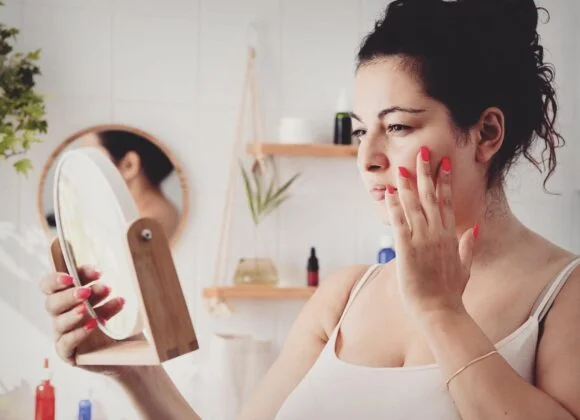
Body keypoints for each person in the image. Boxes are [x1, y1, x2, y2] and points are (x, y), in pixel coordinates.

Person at [39, 0, 580, 419]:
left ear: (485, 133)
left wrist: (441, 311)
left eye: (396, 127)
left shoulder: (563, 294)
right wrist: (129, 367)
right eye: (362, 131)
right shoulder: (342, 297)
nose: (367, 158)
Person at [83, 129, 179, 239]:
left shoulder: (148, 227)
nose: (83, 170)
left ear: (129, 166)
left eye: (93, 158)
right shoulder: (159, 213)